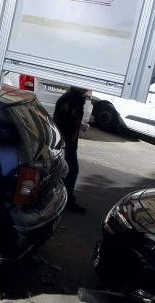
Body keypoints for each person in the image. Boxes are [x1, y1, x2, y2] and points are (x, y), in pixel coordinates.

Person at [53, 86, 91, 214]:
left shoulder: (77, 100)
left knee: (69, 170)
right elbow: (61, 122)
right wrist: (64, 144)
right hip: (66, 143)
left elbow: (72, 120)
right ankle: (65, 200)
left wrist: (81, 126)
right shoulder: (70, 100)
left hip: (70, 142)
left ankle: (64, 198)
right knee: (70, 170)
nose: (89, 87)